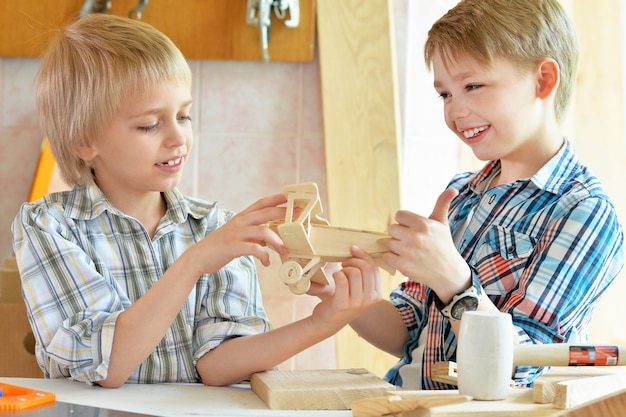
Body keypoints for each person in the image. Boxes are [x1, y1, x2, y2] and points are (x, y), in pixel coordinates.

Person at [11, 13, 383, 388]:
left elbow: (218, 365)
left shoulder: (215, 226)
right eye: (150, 124)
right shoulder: (48, 226)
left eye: (184, 115)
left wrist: (323, 322)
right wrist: (193, 263)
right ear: (84, 142)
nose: (178, 138)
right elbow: (108, 367)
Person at [341, 0, 624, 389]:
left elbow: (522, 361)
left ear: (543, 80)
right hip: (408, 404)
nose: (455, 112)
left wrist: (454, 281)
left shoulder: (586, 214)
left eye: (472, 86)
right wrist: (343, 298)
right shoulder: (461, 192)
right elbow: (407, 331)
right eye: (445, 94)